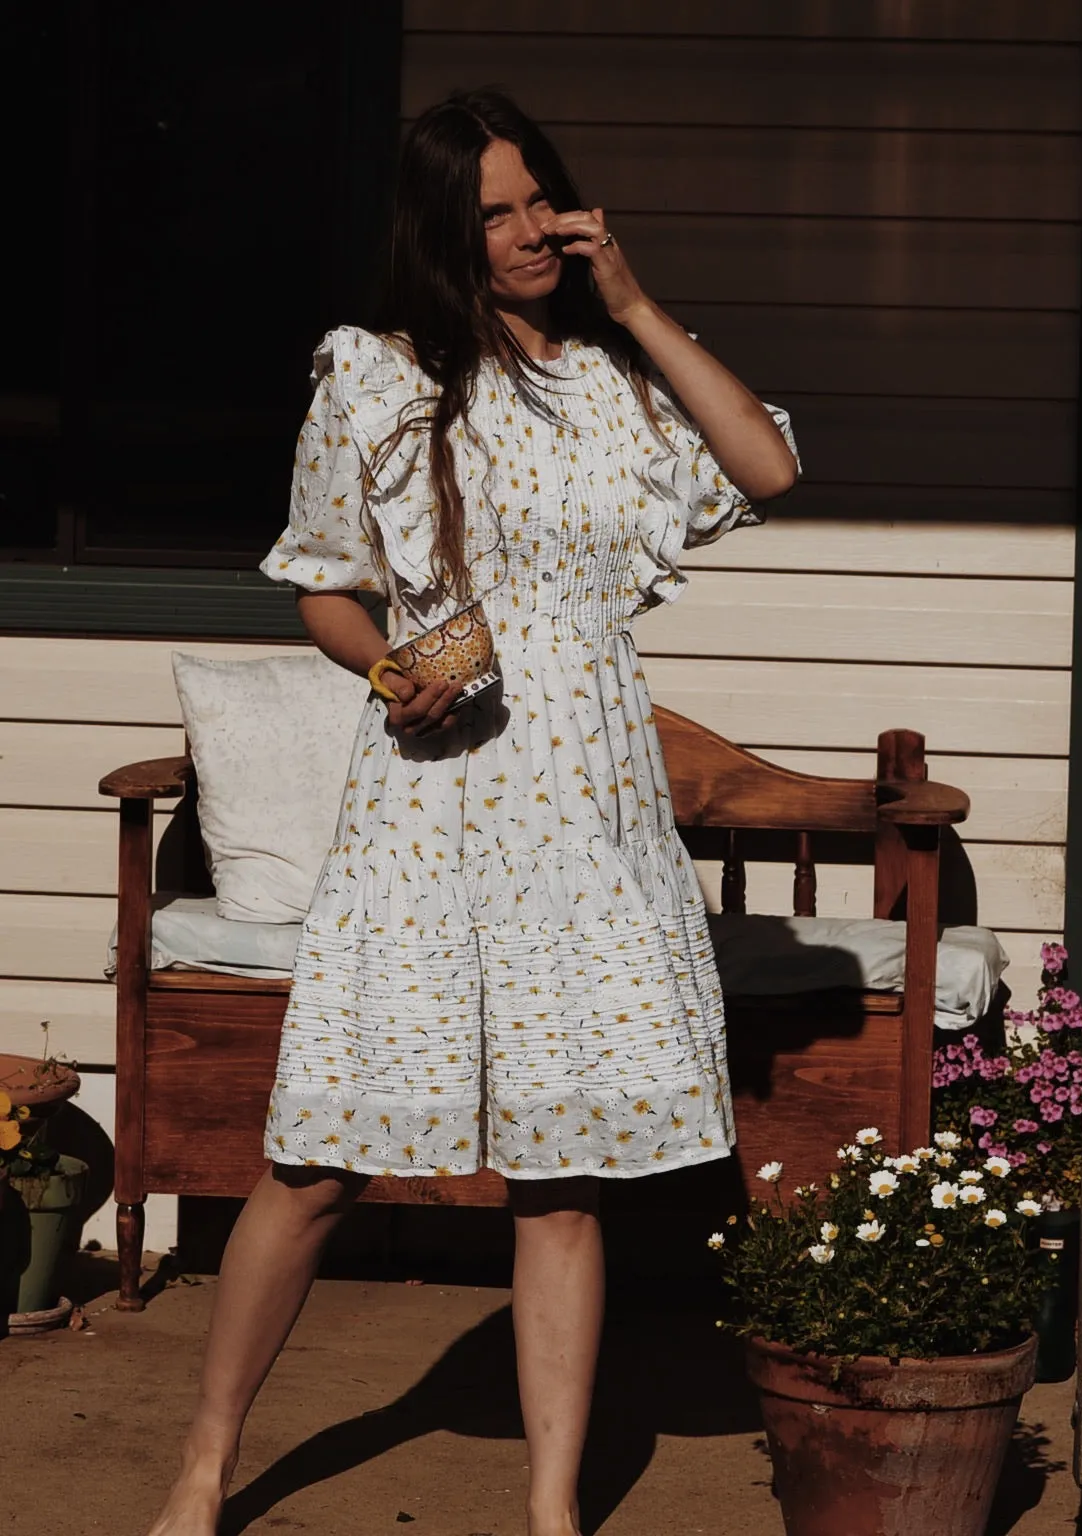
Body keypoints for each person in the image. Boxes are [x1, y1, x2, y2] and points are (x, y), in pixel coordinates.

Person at [145, 88, 798, 1536]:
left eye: (536, 200)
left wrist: (629, 296)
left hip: (589, 802)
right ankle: (201, 1471)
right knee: (317, 1160)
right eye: (490, 212)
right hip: (435, 797)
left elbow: (764, 466)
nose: (522, 232)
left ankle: (551, 1508)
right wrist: (390, 662)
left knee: (561, 1182)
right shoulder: (379, 375)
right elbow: (321, 576)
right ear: (445, 232)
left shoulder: (611, 381)